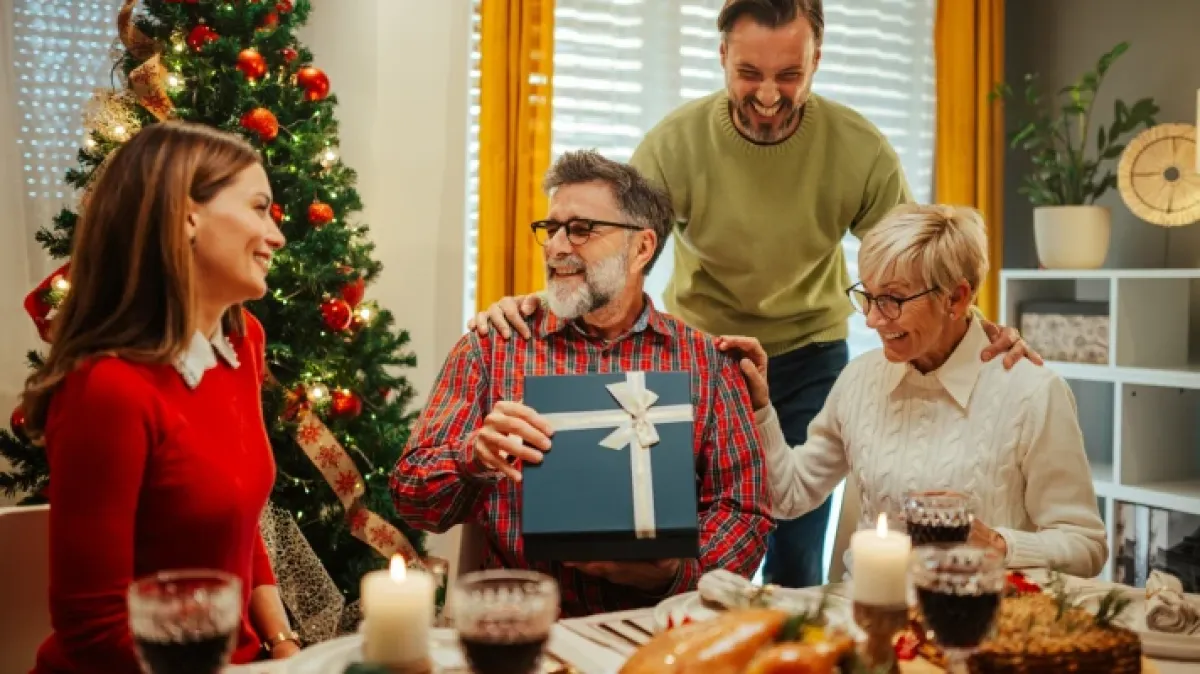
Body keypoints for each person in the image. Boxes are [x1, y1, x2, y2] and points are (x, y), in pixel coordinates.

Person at [466, 0, 1040, 588]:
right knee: (681, 538)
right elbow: (611, 248)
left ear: (817, 60)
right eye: (750, 73)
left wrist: (974, 325)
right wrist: (545, 300)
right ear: (721, 58)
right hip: (706, 359)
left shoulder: (860, 150)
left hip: (810, 355)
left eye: (789, 75)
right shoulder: (674, 145)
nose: (768, 94)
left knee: (795, 550)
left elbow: (918, 265)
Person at [391, 150, 772, 617]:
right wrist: (473, 455)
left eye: (580, 229)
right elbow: (411, 500)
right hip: (522, 633)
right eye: (550, 229)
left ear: (642, 248)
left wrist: (676, 574)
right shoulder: (493, 348)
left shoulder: (707, 365)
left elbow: (746, 513)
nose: (556, 247)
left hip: (658, 630)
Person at [22, 121, 299, 673]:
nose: (277, 236)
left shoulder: (242, 344)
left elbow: (237, 521)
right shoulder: (108, 387)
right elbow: (93, 629)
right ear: (186, 215)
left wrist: (282, 644)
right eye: (259, 208)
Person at [718, 204, 1108, 578]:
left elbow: (1085, 546)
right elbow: (788, 496)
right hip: (868, 614)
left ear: (956, 298)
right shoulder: (859, 379)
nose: (872, 319)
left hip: (979, 622)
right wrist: (760, 409)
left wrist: (998, 544)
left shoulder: (1033, 393)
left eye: (892, 299)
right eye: (868, 296)